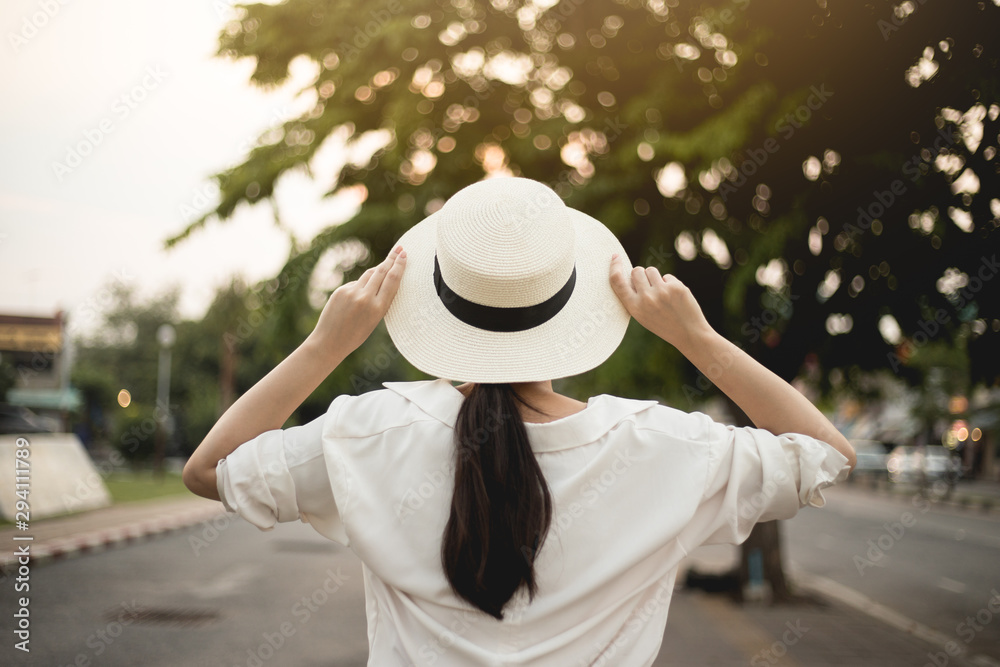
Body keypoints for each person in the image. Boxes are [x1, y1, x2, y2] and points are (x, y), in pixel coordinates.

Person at [183, 177, 856, 666]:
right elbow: (827, 453)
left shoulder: (371, 432)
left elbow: (209, 468)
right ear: (570, 300)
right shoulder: (661, 446)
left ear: (441, 303)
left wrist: (324, 347)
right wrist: (698, 337)